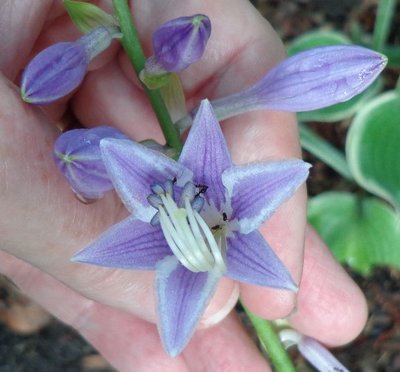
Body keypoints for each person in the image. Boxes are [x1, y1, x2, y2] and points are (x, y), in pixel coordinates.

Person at [0, 0, 367, 370]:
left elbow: (273, 171)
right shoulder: (151, 175)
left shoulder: (210, 201)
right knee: (79, 155)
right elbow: (120, 158)